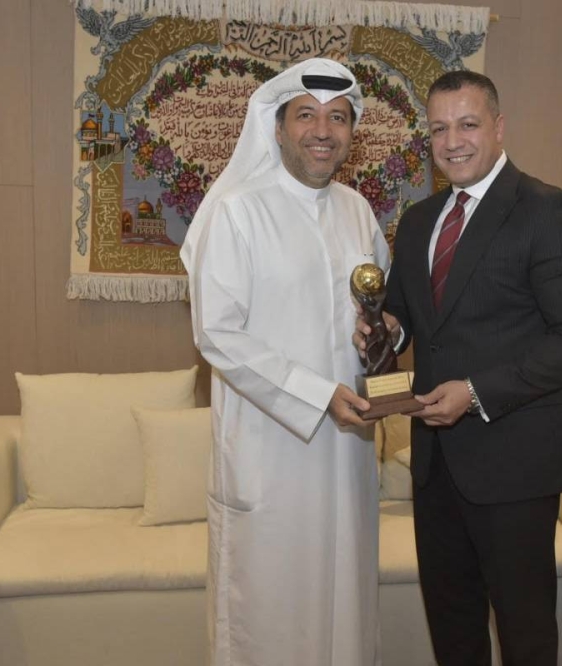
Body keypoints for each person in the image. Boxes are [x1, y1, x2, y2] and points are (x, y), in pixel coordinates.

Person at [356, 71, 562, 665]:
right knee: (453, 626)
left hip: (515, 466)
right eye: (438, 129)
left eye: (467, 124)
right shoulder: (419, 221)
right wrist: (387, 330)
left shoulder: (549, 211)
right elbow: (409, 315)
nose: (452, 142)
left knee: (524, 634)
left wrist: (474, 392)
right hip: (435, 465)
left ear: (498, 127)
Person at [181, 58, 388, 666]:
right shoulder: (238, 210)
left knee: (346, 605)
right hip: (269, 451)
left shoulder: (358, 211)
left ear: (352, 132)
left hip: (348, 453)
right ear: (277, 128)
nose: (322, 131)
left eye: (338, 118)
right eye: (306, 116)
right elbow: (217, 333)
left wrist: (386, 335)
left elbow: (377, 310)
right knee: (268, 614)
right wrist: (317, 394)